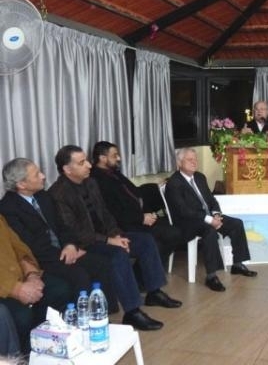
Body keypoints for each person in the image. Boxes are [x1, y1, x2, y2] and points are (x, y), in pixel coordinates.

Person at [48, 145, 182, 331]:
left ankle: (154, 291)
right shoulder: (58, 193)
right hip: (86, 243)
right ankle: (132, 312)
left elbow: (105, 214)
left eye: (86, 160)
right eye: (82, 163)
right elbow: (74, 231)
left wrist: (116, 234)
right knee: (118, 254)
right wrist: (109, 241)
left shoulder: (90, 183)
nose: (89, 165)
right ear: (67, 169)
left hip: (106, 236)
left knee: (145, 241)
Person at [0, 158, 118, 313]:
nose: (43, 176)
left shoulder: (43, 196)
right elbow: (28, 245)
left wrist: (70, 245)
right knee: (79, 275)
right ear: (22, 184)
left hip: (64, 250)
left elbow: (62, 225)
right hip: (42, 259)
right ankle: (80, 320)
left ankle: (104, 313)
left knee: (101, 264)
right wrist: (64, 254)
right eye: (37, 174)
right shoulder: (8, 208)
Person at [165, 147, 257, 292]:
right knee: (209, 230)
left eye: (195, 159)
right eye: (190, 160)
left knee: (236, 224)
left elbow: (211, 199)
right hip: (187, 222)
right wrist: (209, 220)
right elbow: (184, 210)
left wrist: (216, 214)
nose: (194, 162)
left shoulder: (200, 177)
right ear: (179, 163)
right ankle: (211, 276)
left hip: (207, 216)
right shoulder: (174, 183)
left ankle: (238, 264)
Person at [90, 141, 182, 268]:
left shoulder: (114, 172)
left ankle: (146, 272)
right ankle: (143, 273)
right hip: (124, 224)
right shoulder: (96, 180)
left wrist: (147, 213)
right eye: (114, 155)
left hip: (139, 217)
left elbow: (134, 192)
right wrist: (141, 218)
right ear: (102, 158)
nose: (119, 158)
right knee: (163, 238)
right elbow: (112, 210)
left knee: (174, 232)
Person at [0, 215, 70, 353]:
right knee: (22, 315)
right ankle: (27, 355)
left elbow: (19, 247)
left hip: (21, 276)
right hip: (5, 289)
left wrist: (31, 274)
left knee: (60, 290)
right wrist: (15, 289)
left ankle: (51, 344)